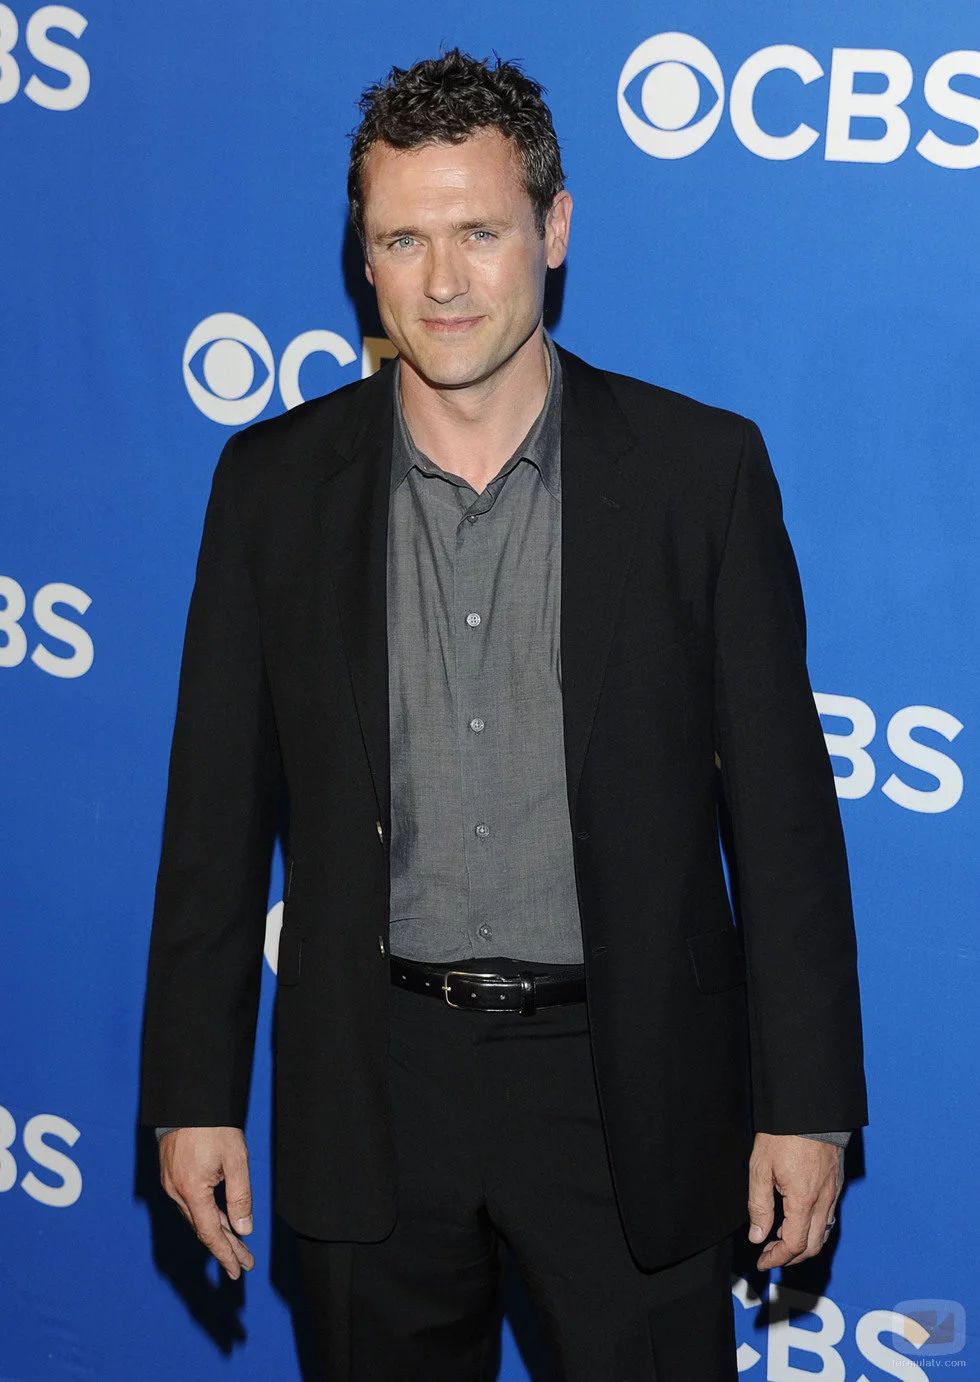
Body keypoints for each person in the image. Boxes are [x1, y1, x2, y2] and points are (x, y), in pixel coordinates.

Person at [141, 49, 868, 1382]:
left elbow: (783, 824)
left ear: (555, 225)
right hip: (372, 1086)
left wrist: (809, 1105)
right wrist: (193, 1094)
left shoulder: (698, 474)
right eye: (401, 240)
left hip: (627, 1088)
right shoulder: (271, 488)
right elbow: (212, 825)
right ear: (364, 256)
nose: (443, 281)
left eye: (479, 231)